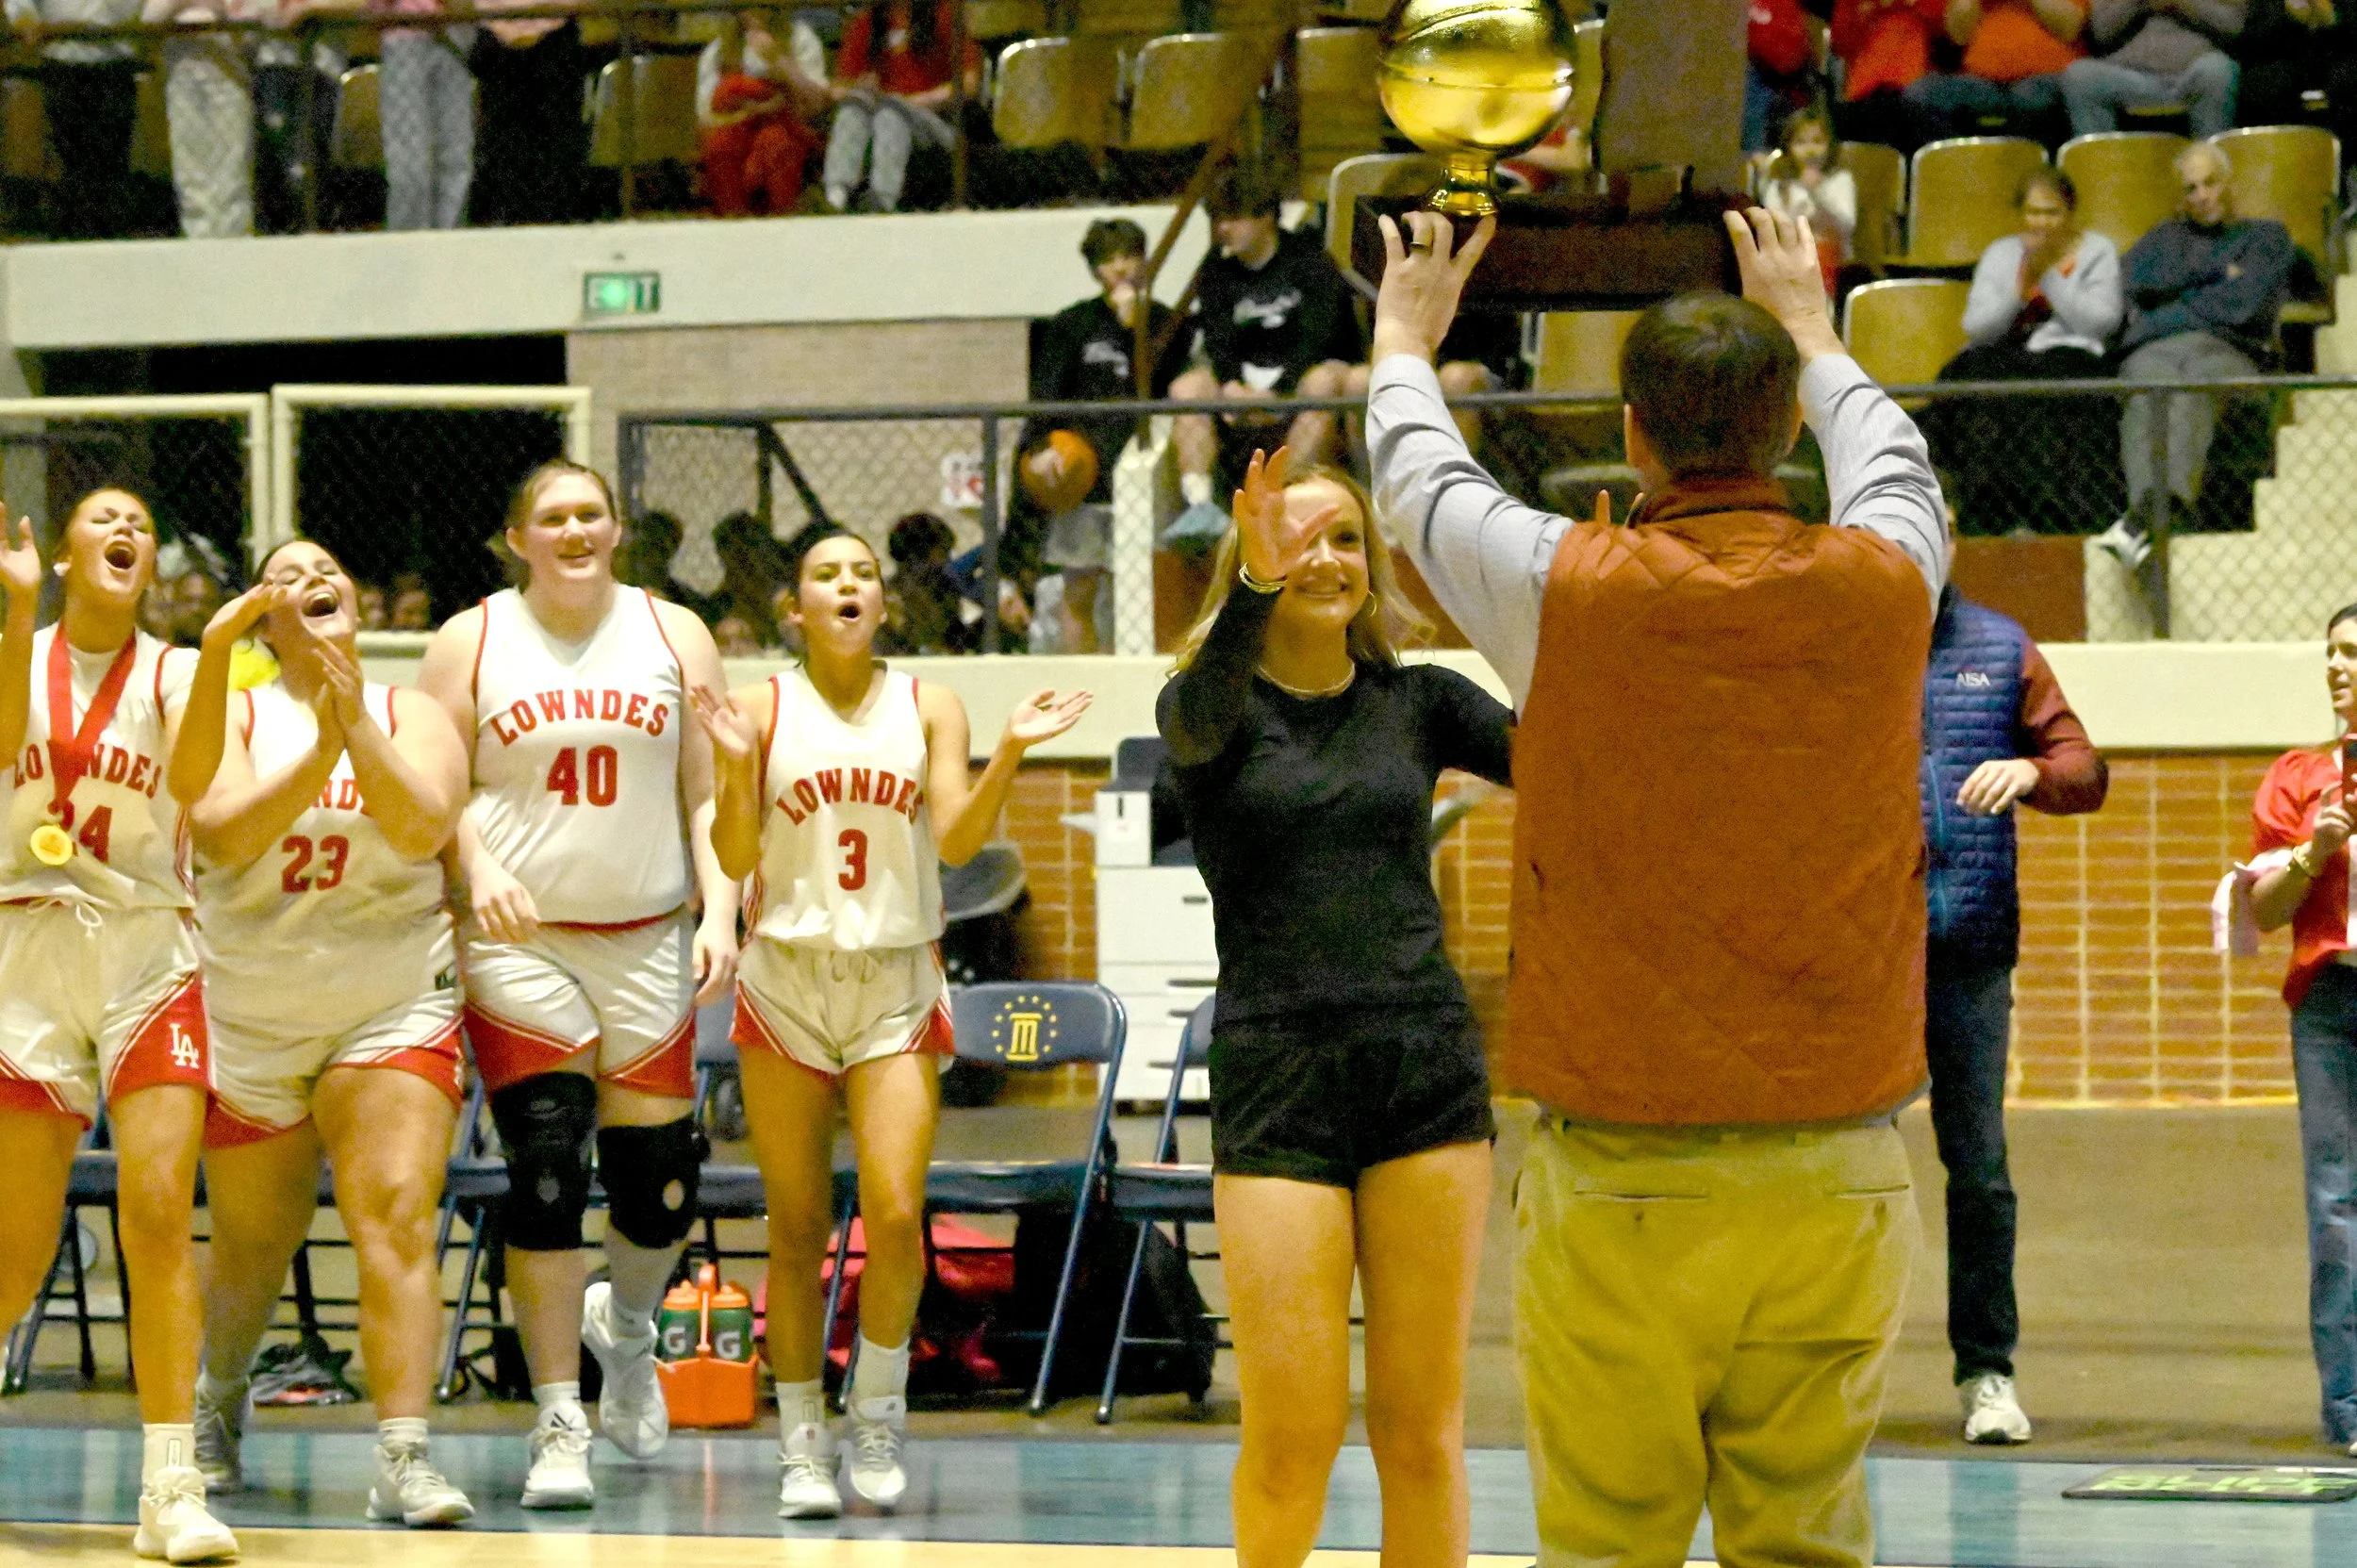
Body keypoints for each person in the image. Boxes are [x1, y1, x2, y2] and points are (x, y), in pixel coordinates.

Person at [1368, 207, 1947, 1565]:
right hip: (1839, 1167)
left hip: (1622, 1168)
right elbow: (1896, 454)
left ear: (1631, 436)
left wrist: (1403, 336)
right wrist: (1815, 325)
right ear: (1791, 425)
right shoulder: (1892, 579)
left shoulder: (1564, 586)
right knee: (1806, 1542)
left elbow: (1419, 482)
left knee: (1609, 1545)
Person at [1156, 448, 1512, 1567]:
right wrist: (1254, 591)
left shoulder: (1421, 701)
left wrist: (1588, 615)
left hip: (1424, 1071)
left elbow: (1580, 763)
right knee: (1292, 1434)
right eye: (1297, 536)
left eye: (1345, 536)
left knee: (1422, 1432)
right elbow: (1194, 721)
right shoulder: (1209, 706)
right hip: (1278, 1076)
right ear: (1249, 562)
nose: (1326, 556)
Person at [692, 530, 1090, 1518]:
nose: (847, 585)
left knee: (897, 1211)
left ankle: (875, 1409)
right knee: (794, 1227)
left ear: (881, 600)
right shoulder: (754, 708)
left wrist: (1013, 752)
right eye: (825, 574)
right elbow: (735, 851)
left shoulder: (929, 705)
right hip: (785, 976)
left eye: (861, 573)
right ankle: (796, 1441)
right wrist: (738, 770)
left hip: (895, 979)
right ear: (795, 609)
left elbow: (955, 835)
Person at [416, 459, 739, 1510]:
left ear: (616, 527)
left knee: (659, 1183)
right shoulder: (470, 638)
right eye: (551, 517)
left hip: (648, 931)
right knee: (546, 1169)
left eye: (589, 513)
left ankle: (630, 1333)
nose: (573, 530)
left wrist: (723, 908)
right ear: (517, 537)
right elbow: (434, 785)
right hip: (523, 941)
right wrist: (478, 864)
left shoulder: (674, 632)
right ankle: (560, 1416)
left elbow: (709, 791)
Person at [0, 488, 284, 1564]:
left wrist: (215, 650)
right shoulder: (16, 649)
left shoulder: (174, 670)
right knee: (16, 1252)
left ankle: (172, 1485)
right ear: (65, 551)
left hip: (144, 948)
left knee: (160, 1206)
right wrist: (17, 615)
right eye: (105, 518)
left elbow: (200, 778)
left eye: (145, 525)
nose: (129, 532)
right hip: (25, 953)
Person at [186, 538, 474, 1526]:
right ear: (266, 616)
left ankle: (403, 1452)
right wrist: (320, 742)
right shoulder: (231, 709)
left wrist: (355, 723)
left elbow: (421, 828)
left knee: (394, 1209)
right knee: (253, 1244)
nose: (317, 577)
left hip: (390, 997)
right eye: (289, 570)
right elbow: (223, 834)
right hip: (254, 1006)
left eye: (332, 568)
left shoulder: (416, 714)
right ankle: (217, 1396)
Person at [1917, 547, 2107, 1445]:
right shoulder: (1833, 638)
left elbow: (2084, 767)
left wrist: (2032, 772)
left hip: (1973, 953)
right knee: (1830, 1164)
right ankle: (1810, 1377)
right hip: (1855, 959)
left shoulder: (2001, 647)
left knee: (1980, 1171)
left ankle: (1987, 1373)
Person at [2220, 602, 2357, 1454]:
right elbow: (2265, 912)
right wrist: (2312, 852)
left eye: (2354, 653)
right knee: (2337, 1203)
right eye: (2332, 653)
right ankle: (2348, 1403)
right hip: (2332, 1007)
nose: (2338, 667)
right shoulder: (2301, 778)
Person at [2096, 140, 2291, 569]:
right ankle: (2160, 516)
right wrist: (2217, 276)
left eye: (2210, 184)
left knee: (2187, 386)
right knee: (2149, 385)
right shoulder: (2162, 238)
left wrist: (2171, 303)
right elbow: (2133, 285)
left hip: (2229, 353)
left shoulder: (2265, 237)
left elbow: (2244, 307)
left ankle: (2144, 518)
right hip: (2154, 350)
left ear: (2229, 184)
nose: (2202, 196)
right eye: (2191, 188)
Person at [1165, 164, 1366, 543]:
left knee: (1324, 381)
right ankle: (1200, 506)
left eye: (1235, 218)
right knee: (1187, 387)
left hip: (1300, 380)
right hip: (1246, 382)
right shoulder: (1216, 273)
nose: (1223, 229)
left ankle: (1282, 499)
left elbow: (1321, 336)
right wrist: (1231, 385)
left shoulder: (1311, 262)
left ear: (1267, 217)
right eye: (1219, 219)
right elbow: (1217, 338)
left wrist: (1279, 393)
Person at [1018, 218, 1185, 652]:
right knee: (1079, 590)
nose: (1122, 268)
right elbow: (1046, 392)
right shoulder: (1074, 323)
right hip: (1083, 476)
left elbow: (1168, 381)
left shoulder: (1167, 322)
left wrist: (1136, 329)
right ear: (1096, 269)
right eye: (1110, 260)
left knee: (1138, 592)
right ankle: (1083, 679)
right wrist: (1039, 447)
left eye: (1130, 256)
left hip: (1140, 473)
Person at [1929, 167, 2122, 533]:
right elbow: (1976, 327)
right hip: (2005, 352)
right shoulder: (2001, 254)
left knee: (2051, 387)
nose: (2042, 222)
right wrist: (2018, 294)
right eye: (2034, 212)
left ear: (2070, 214)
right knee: (1972, 377)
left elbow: (2102, 323)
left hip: (2070, 354)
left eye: (2052, 213)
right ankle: (1989, 516)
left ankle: (2050, 516)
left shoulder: (2098, 251)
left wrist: (2048, 275)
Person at [820, 0, 978, 214]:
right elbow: (837, 89)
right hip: (878, 111)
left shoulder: (944, 15)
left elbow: (968, 85)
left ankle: (883, 200)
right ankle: (836, 195)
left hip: (935, 122)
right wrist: (860, 88)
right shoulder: (865, 23)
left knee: (891, 113)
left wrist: (914, 101)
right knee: (852, 109)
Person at [8, 0, 143, 239]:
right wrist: (24, 20)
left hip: (115, 56)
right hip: (62, 56)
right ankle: (73, 236)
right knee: (68, 153)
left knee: (112, 156)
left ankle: (105, 237)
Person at [468, 0, 591, 227]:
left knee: (557, 138)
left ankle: (557, 219)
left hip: (555, 40)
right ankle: (505, 220)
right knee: (502, 139)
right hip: (497, 42)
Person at [697, 7, 829, 217]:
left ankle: (783, 220)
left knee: (775, 142)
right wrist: (748, 111)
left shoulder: (800, 38)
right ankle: (732, 222)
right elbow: (705, 115)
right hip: (737, 124)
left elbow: (816, 104)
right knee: (721, 144)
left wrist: (779, 61)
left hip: (787, 125)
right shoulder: (719, 49)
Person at [1904, 0, 2086, 143]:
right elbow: (1958, 35)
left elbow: (2070, 28)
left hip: (2044, 79)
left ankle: (2033, 184)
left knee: (2029, 97)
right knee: (1921, 93)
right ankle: (1961, 176)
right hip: (1982, 85)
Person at [148, 0, 255, 239]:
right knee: (191, 173)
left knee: (232, 171)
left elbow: (252, 24)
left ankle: (235, 244)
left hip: (229, 72)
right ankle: (198, 244)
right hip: (182, 73)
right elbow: (150, 18)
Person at [2060, 0, 2243, 138]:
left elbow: (2233, 24)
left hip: (2195, 71)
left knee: (2218, 70)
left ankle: (2210, 174)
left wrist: (2181, 3)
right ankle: (2101, 179)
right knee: (2080, 76)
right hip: (2129, 77)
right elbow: (2101, 31)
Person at [373, 0, 473, 229]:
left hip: (457, 34)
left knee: (456, 158)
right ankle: (407, 249)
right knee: (409, 166)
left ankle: (452, 247)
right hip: (405, 32)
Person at [1751, 106, 1855, 291]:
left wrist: (1817, 193)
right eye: (1800, 142)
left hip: (1832, 256)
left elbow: (1845, 225)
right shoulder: (1781, 183)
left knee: (1818, 251)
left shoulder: (1840, 180)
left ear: (1830, 145)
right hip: (1787, 254)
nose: (1810, 150)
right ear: (1788, 147)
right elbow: (1774, 223)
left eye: (1817, 142)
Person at [2236, 0, 2357, 151]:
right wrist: (2289, 19)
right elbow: (2251, 42)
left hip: (2338, 61)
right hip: (2284, 64)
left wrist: (2333, 19)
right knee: (2268, 84)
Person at [1830, 0, 1947, 150]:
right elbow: (1839, 44)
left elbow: (1951, 34)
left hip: (1916, 95)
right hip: (1863, 95)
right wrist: (1870, 10)